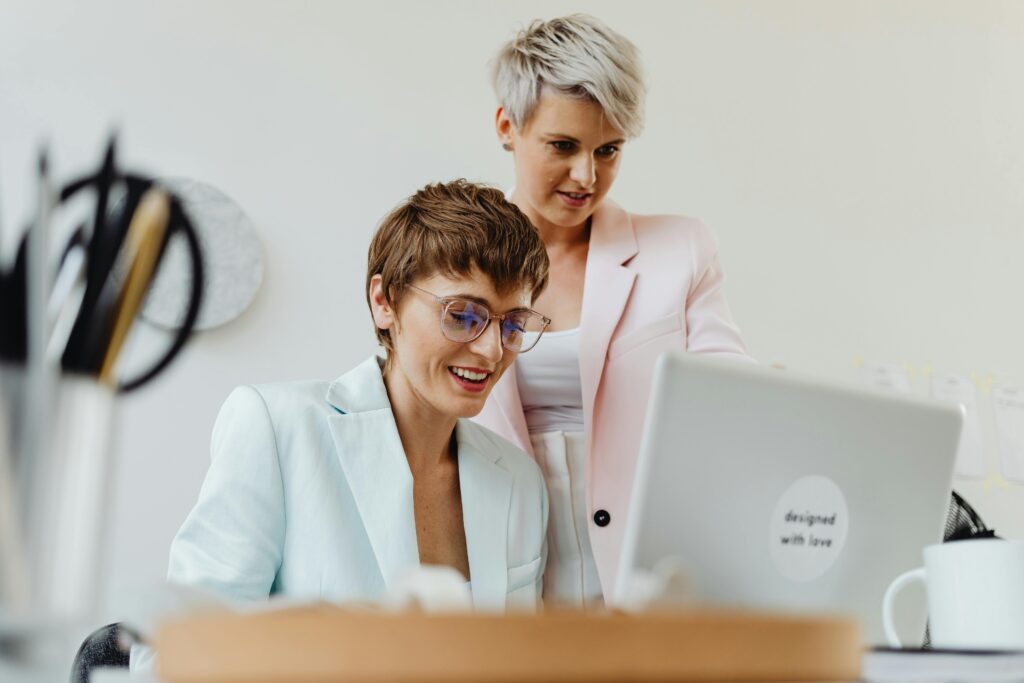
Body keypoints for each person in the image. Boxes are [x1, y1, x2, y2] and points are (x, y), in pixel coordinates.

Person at [132, 180, 553, 669]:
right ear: (385, 300)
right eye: (462, 315)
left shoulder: (520, 482)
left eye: (513, 325)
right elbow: (174, 658)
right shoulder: (277, 428)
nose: (491, 350)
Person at [475, 15, 751, 609]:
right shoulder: (455, 264)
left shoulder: (681, 250)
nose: (587, 176)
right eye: (563, 146)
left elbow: (733, 399)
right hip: (505, 577)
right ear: (507, 126)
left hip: (649, 577)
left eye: (609, 150)